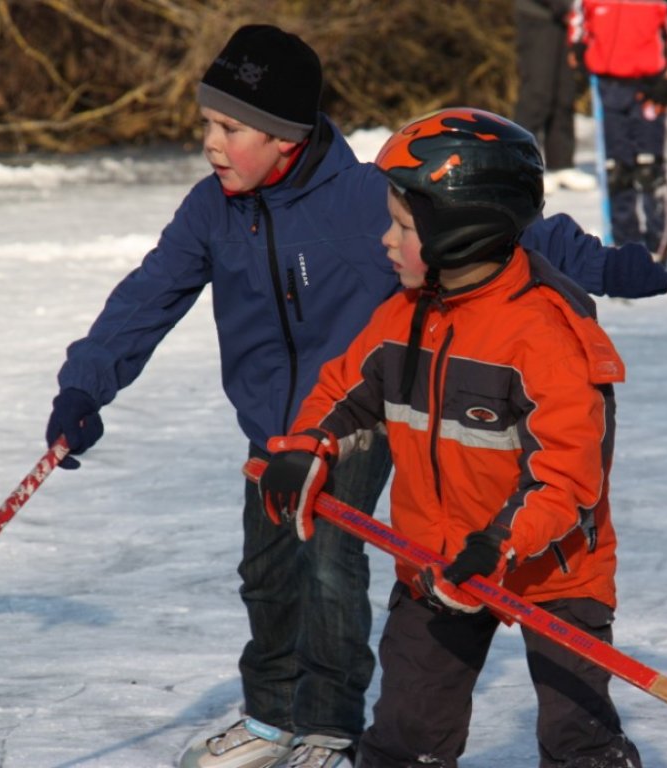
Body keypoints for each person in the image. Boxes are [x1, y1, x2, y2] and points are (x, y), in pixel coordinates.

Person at [43, 25, 667, 768]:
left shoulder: (362, 201)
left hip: (387, 421)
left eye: (229, 127)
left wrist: (610, 267)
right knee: (268, 573)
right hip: (291, 428)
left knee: (328, 568)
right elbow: (146, 299)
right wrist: (86, 386)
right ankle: (273, 713)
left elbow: (511, 227)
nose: (210, 142)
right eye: (207, 123)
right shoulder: (212, 210)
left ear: (285, 139)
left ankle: (327, 722)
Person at [259, 107, 642, 768]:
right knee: (408, 734)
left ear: (461, 231)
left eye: (402, 226)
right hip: (436, 561)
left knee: (576, 738)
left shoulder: (547, 339)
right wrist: (305, 451)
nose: (385, 240)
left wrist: (499, 544)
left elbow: (570, 479)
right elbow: (342, 390)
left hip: (554, 568)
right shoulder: (403, 316)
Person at [568, 0, 667, 258]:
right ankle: (625, 244)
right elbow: (578, 22)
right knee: (617, 170)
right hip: (608, 87)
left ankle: (656, 246)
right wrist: (578, 48)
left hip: (649, 88)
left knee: (649, 170)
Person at [513, 0, 597, 195]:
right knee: (537, 93)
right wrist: (565, 6)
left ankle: (561, 164)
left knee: (564, 94)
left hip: (567, 20)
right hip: (539, 16)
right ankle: (522, 167)